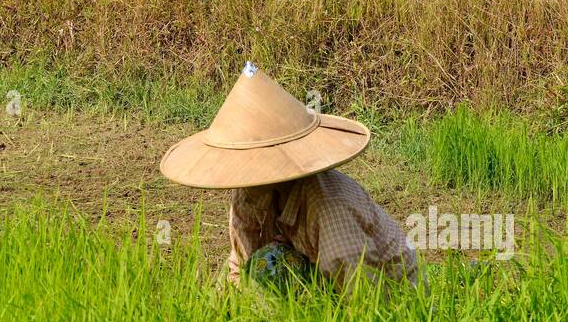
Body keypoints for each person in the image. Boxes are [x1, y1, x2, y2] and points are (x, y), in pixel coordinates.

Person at [160, 62, 418, 291]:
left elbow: (363, 294)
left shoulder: (330, 209)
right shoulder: (248, 195)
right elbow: (242, 267)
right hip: (317, 285)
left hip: (386, 293)